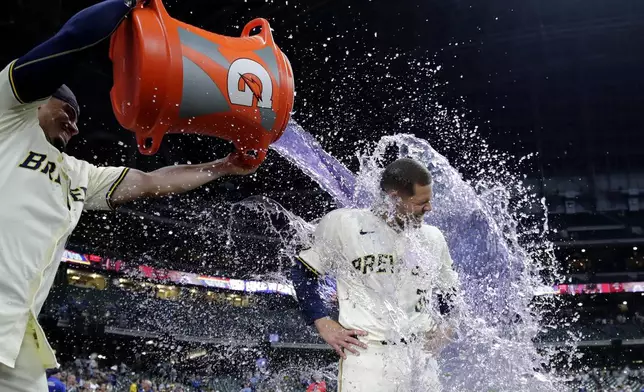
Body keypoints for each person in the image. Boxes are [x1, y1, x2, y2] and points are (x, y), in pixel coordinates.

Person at [0, 1, 256, 391]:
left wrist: (222, 167)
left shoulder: (76, 173)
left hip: (17, 337)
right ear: (37, 102)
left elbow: (150, 182)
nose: (74, 127)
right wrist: (125, 4)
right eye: (67, 112)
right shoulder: (8, 119)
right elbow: (69, 42)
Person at [291, 158, 460, 392]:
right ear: (393, 198)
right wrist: (321, 321)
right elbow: (303, 273)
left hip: (420, 356)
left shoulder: (433, 237)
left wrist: (447, 325)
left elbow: (449, 290)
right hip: (367, 355)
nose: (429, 208)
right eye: (422, 202)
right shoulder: (344, 223)